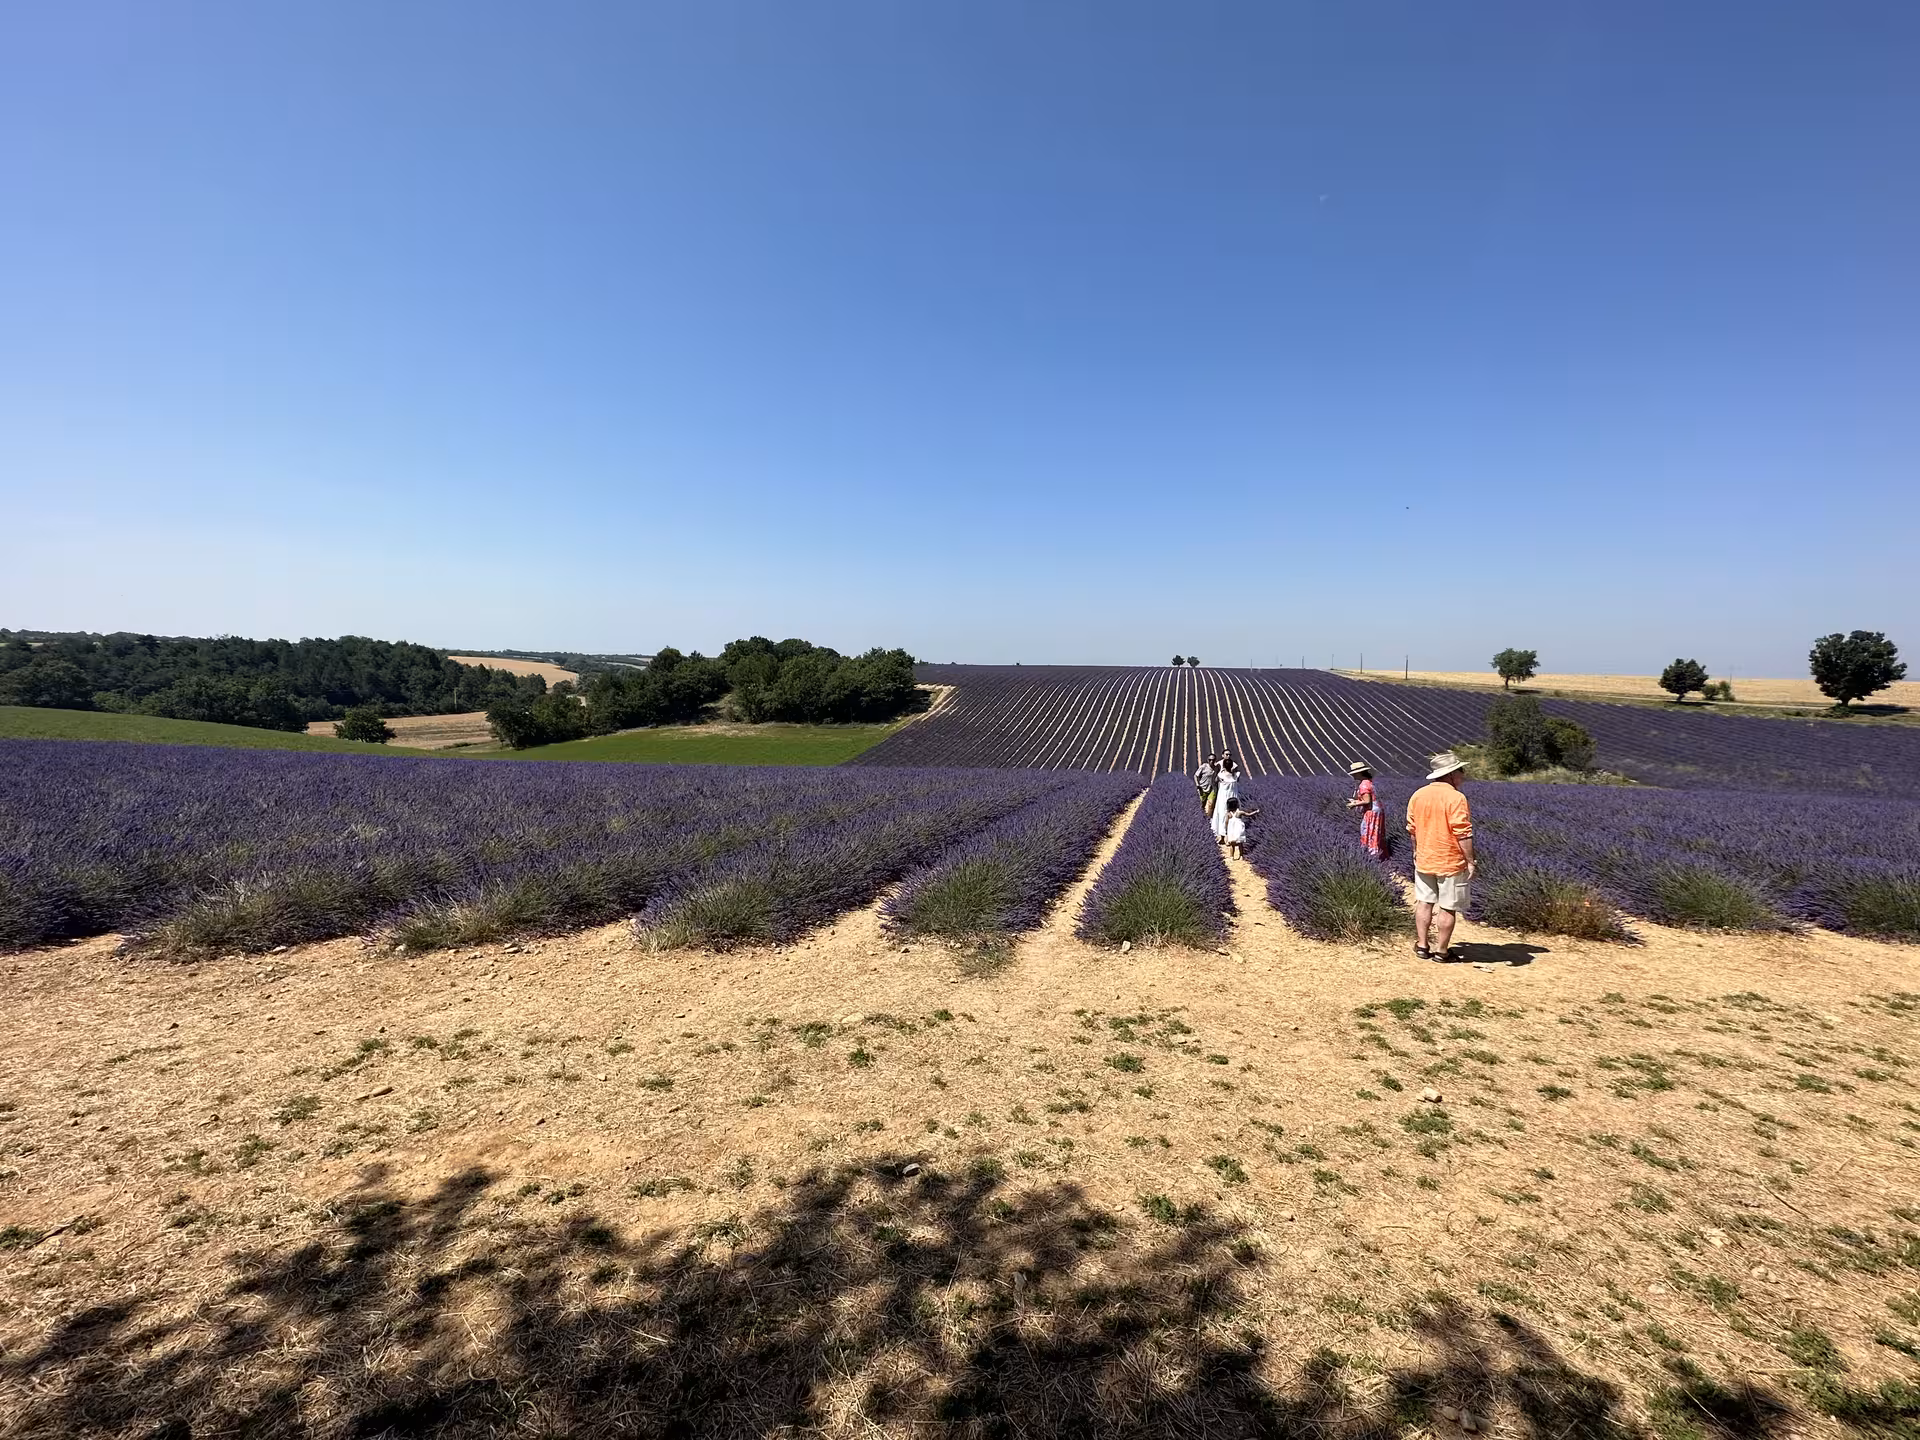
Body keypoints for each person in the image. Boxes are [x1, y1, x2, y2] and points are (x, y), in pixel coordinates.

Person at [1405, 751, 1475, 962]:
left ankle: (1422, 946)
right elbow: (1462, 832)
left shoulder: (1418, 795)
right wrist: (1470, 861)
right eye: (1461, 771)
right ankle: (1442, 952)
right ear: (1452, 774)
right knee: (1448, 907)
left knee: (1424, 903)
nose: (1463, 776)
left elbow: (1412, 829)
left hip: (1425, 859)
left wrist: (1416, 852)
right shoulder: (1456, 797)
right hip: (1450, 861)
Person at [1345, 761, 1385, 860]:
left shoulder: (1364, 785)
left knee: (1368, 833)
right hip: (1377, 811)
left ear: (1359, 773)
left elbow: (1367, 801)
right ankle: (1376, 855)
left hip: (1371, 813)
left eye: (1354, 774)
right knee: (1375, 834)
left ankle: (1371, 856)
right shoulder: (1368, 782)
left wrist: (1354, 804)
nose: (1353, 776)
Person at [1211, 756, 1240, 841]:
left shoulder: (1221, 775)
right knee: (1234, 816)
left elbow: (1215, 780)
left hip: (1223, 797)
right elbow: (1237, 776)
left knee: (1222, 815)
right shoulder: (1236, 776)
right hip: (1233, 797)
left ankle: (1222, 836)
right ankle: (1232, 835)